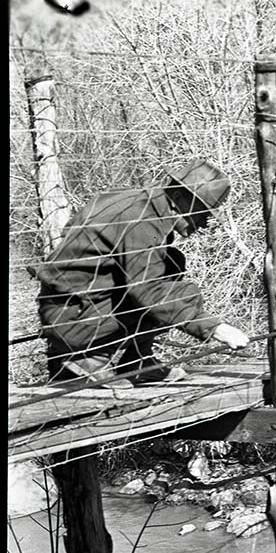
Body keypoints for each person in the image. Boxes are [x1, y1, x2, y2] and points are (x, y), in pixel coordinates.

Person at [30, 158, 251, 387]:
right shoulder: (141, 220)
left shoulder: (139, 202)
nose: (204, 222)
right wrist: (213, 327)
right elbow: (148, 291)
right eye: (203, 211)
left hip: (70, 307)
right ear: (181, 197)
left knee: (172, 263)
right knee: (178, 293)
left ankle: (137, 360)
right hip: (72, 317)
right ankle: (88, 357)